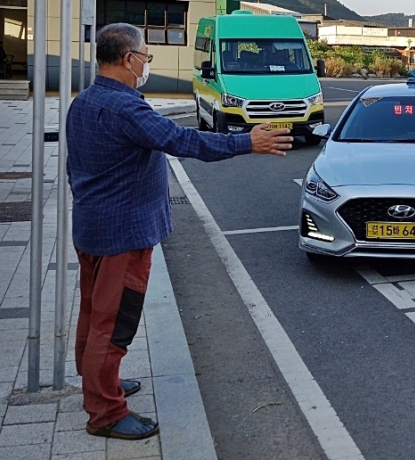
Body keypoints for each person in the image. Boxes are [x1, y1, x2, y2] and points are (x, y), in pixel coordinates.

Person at [66, 23, 293, 441]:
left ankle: (98, 382)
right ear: (128, 59)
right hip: (123, 235)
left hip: (92, 225)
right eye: (146, 57)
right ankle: (105, 411)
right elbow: (184, 141)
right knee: (112, 324)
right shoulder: (127, 109)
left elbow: (76, 166)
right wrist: (247, 142)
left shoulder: (84, 102)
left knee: (93, 312)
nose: (147, 63)